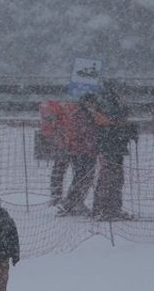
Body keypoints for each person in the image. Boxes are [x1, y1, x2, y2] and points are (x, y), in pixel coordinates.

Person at [90, 85, 137, 220]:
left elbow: (111, 126)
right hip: (111, 149)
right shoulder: (109, 107)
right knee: (111, 179)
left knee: (110, 178)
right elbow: (111, 127)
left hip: (112, 148)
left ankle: (105, 208)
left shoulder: (104, 107)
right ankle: (108, 209)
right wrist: (125, 130)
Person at [58, 93, 101, 215]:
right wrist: (92, 143)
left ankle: (74, 201)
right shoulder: (82, 116)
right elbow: (84, 134)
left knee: (82, 177)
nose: (93, 105)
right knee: (82, 177)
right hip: (82, 152)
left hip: (83, 151)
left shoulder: (84, 115)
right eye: (91, 102)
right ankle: (73, 202)